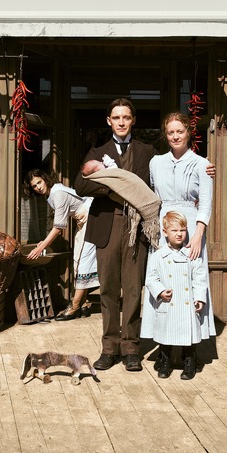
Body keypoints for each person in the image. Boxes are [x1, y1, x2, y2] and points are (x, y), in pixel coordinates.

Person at [74, 98, 156, 372]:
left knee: (133, 290)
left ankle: (131, 348)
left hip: (137, 229)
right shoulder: (98, 151)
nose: (121, 122)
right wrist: (111, 188)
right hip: (107, 226)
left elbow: (163, 178)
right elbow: (80, 184)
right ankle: (109, 348)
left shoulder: (147, 151)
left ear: (133, 120)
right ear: (108, 121)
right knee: (108, 289)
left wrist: (204, 169)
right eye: (116, 118)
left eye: (126, 117)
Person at [141, 112, 216, 366]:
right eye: (171, 132)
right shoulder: (156, 163)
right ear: (166, 135)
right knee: (162, 279)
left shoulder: (201, 163)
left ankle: (189, 352)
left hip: (190, 227)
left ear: (188, 132)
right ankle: (163, 348)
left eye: (179, 131)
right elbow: (152, 195)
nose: (175, 136)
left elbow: (205, 201)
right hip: (163, 226)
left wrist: (198, 234)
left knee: (189, 282)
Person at [23, 169, 99, 320]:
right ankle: (83, 305)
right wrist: (43, 242)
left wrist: (41, 247)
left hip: (90, 219)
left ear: (45, 179)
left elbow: (58, 228)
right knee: (78, 260)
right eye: (34, 186)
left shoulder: (57, 194)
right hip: (83, 221)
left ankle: (75, 306)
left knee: (83, 261)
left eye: (39, 182)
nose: (38, 187)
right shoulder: (51, 194)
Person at [144, 211, 208, 380]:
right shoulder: (159, 256)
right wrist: (159, 291)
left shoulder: (191, 255)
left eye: (183, 230)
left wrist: (199, 297)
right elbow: (151, 278)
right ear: (165, 232)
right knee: (166, 334)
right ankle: (165, 361)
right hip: (168, 302)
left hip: (187, 304)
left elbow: (200, 278)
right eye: (174, 231)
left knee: (189, 336)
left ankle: (189, 360)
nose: (179, 234)